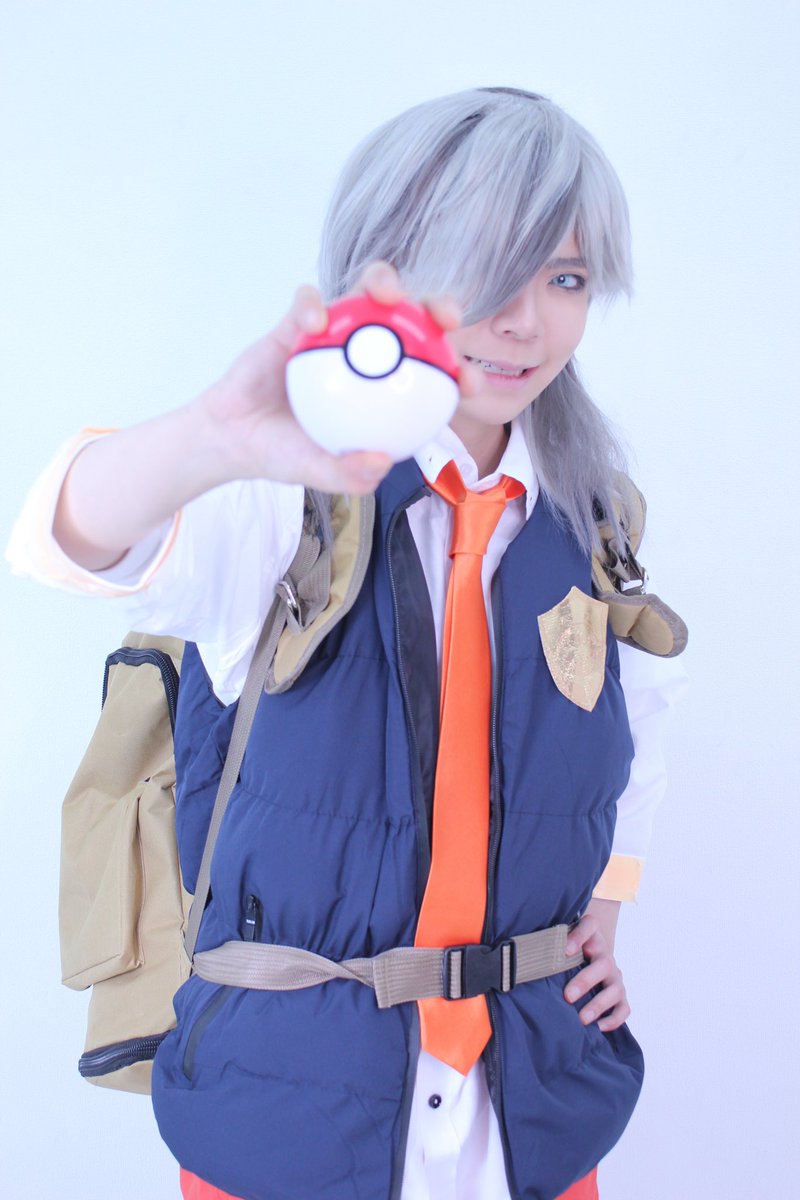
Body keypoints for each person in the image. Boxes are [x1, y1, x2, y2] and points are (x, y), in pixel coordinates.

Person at [7, 86, 686, 1200]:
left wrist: (602, 912)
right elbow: (67, 540)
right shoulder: (279, 497)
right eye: (487, 266)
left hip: (527, 1119)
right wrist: (209, 441)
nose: (526, 321)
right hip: (289, 1123)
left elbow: (634, 739)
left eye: (564, 278)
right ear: (387, 271)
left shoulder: (591, 518)